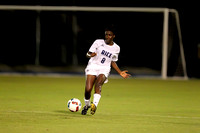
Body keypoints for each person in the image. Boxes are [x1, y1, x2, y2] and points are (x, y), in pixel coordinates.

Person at [81, 25, 131, 115]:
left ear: (113, 36)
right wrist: (90, 55)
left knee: (98, 84)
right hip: (93, 66)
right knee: (88, 89)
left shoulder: (116, 48)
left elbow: (113, 61)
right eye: (106, 35)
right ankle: (87, 105)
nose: (107, 37)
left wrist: (120, 72)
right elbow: (88, 54)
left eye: (109, 35)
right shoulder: (98, 42)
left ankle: (94, 105)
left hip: (104, 68)